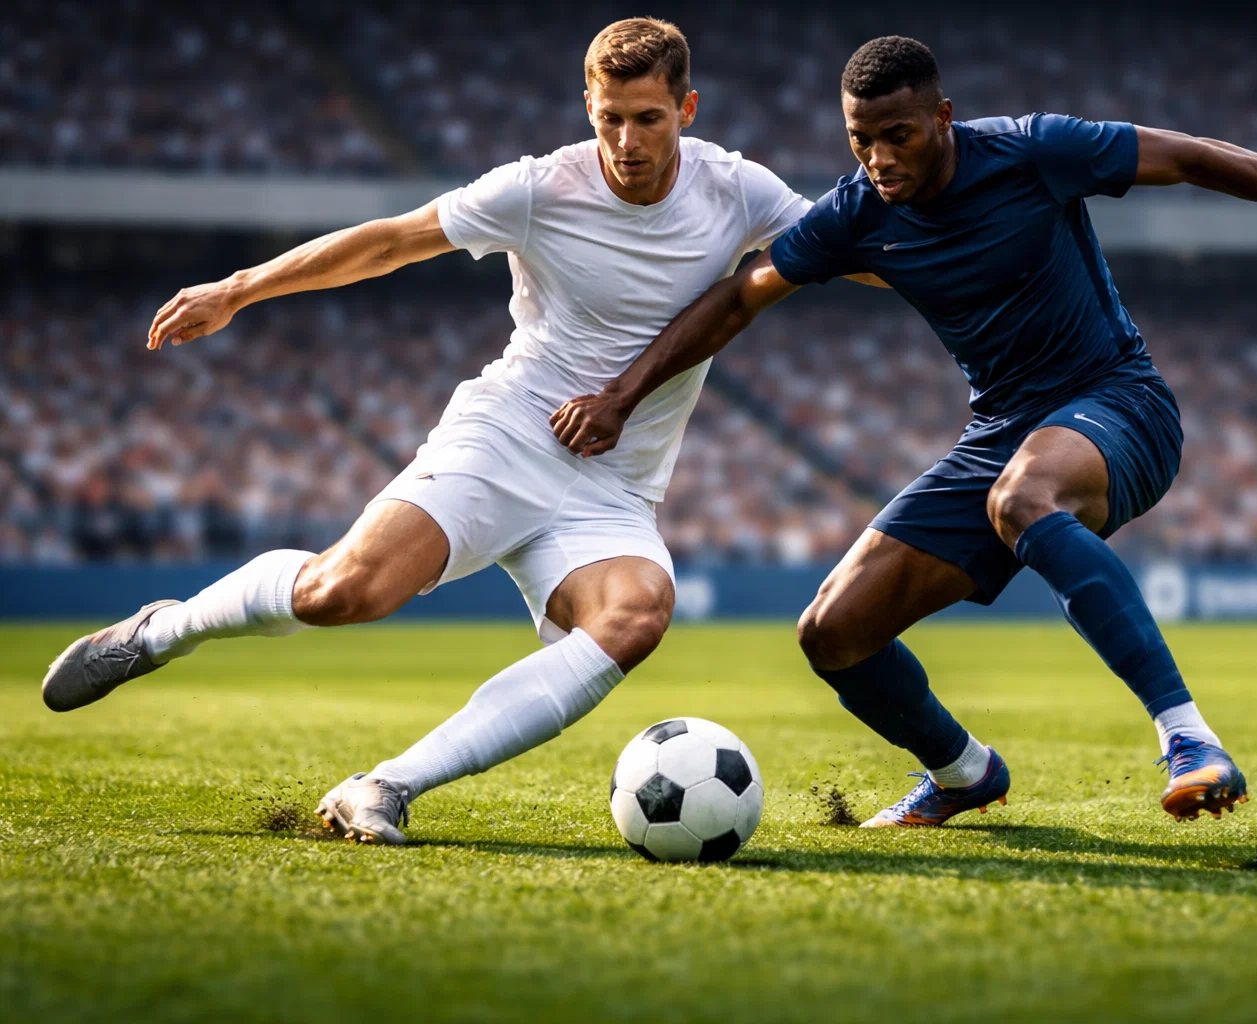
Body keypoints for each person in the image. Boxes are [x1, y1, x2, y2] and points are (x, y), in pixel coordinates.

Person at [549, 35, 1257, 827]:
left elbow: (1196, 157)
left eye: (897, 134)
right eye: (860, 139)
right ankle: (963, 774)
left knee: (1025, 493)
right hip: (1000, 433)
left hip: (1117, 401)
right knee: (833, 631)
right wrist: (623, 394)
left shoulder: (1033, 150)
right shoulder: (858, 212)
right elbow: (740, 297)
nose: (878, 158)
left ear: (942, 117)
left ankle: (1189, 739)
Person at [40, 18, 826, 845]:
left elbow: (847, 247)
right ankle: (162, 630)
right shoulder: (538, 188)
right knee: (342, 593)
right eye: (609, 119)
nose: (626, 141)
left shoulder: (739, 191)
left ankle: (385, 785)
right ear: (587, 108)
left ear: (688, 108)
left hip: (617, 484)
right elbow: (390, 243)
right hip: (510, 433)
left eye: (648, 119)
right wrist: (239, 288)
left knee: (635, 616)